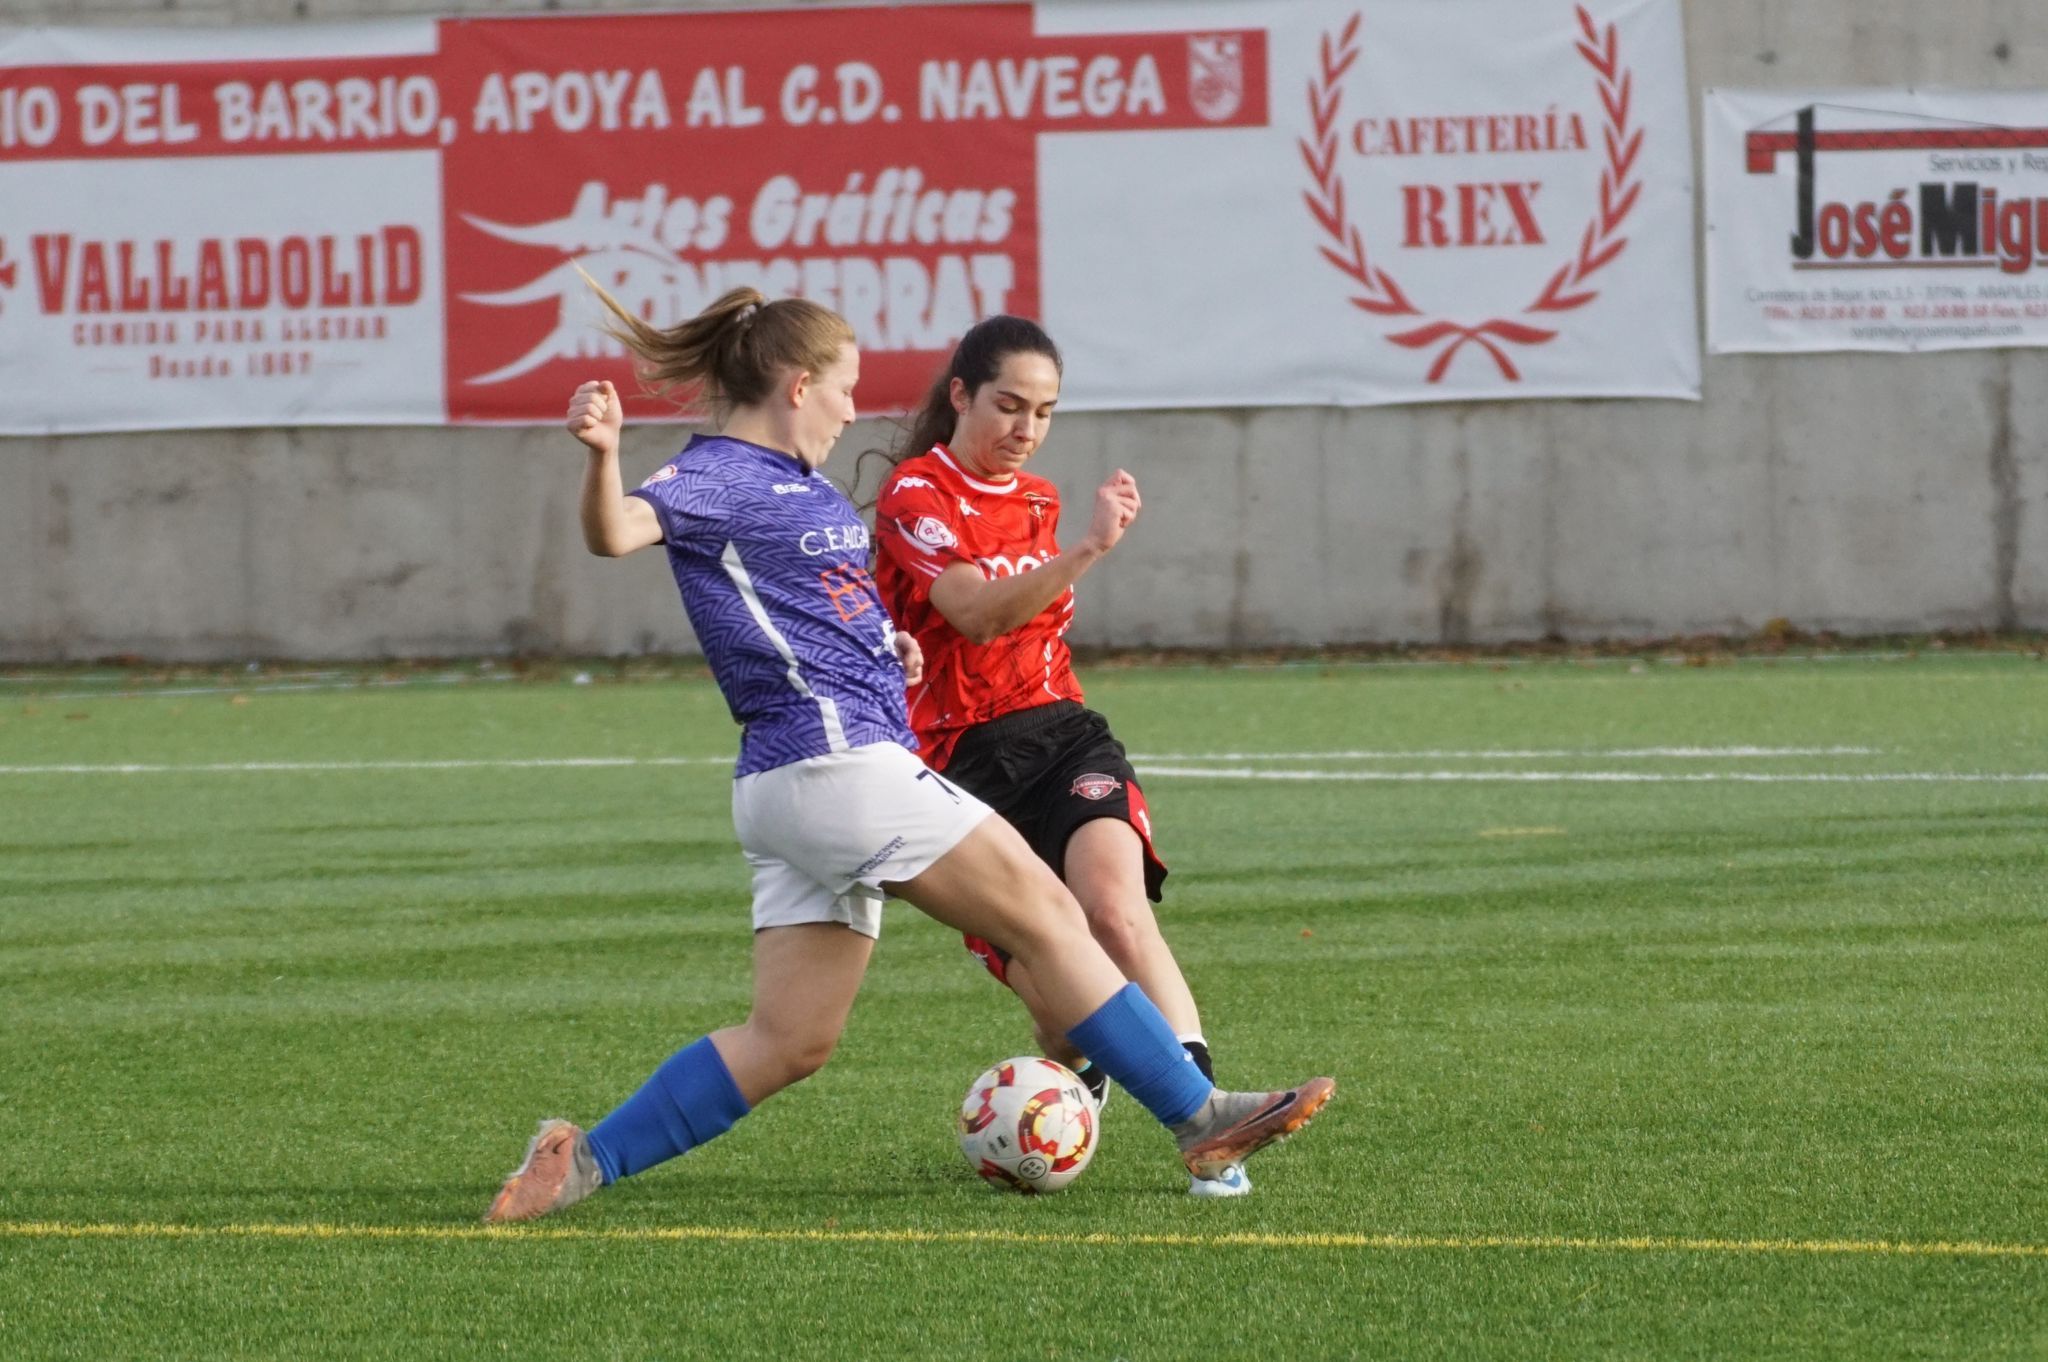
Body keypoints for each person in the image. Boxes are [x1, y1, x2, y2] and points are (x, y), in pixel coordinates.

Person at [484, 284, 1333, 1222]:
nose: (854, 410)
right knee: (1051, 913)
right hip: (836, 766)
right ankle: (1197, 1113)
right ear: (799, 385)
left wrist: (886, 646)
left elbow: (814, 609)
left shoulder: (799, 487)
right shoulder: (717, 474)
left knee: (791, 1040)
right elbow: (616, 534)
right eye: (843, 389)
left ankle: (582, 1162)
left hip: (794, 784)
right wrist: (602, 459)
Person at [868, 317, 1251, 1197]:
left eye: (1043, 412)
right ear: (961, 395)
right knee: (1058, 1012)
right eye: (1008, 405)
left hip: (1063, 731)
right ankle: (1090, 1066)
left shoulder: (1037, 497)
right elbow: (977, 614)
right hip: (961, 768)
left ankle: (1211, 1123)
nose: (1025, 429)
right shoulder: (916, 496)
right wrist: (1087, 549)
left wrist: (1075, 543)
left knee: (1115, 912)